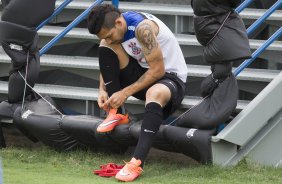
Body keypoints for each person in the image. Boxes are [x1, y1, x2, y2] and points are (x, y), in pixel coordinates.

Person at [87, 4, 188, 182]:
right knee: (105, 46)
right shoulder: (116, 28)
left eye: (110, 35)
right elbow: (109, 44)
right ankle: (117, 113)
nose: (110, 39)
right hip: (143, 73)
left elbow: (157, 71)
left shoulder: (143, 29)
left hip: (170, 79)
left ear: (118, 22)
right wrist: (102, 88)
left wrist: (124, 93)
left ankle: (137, 162)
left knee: (154, 93)